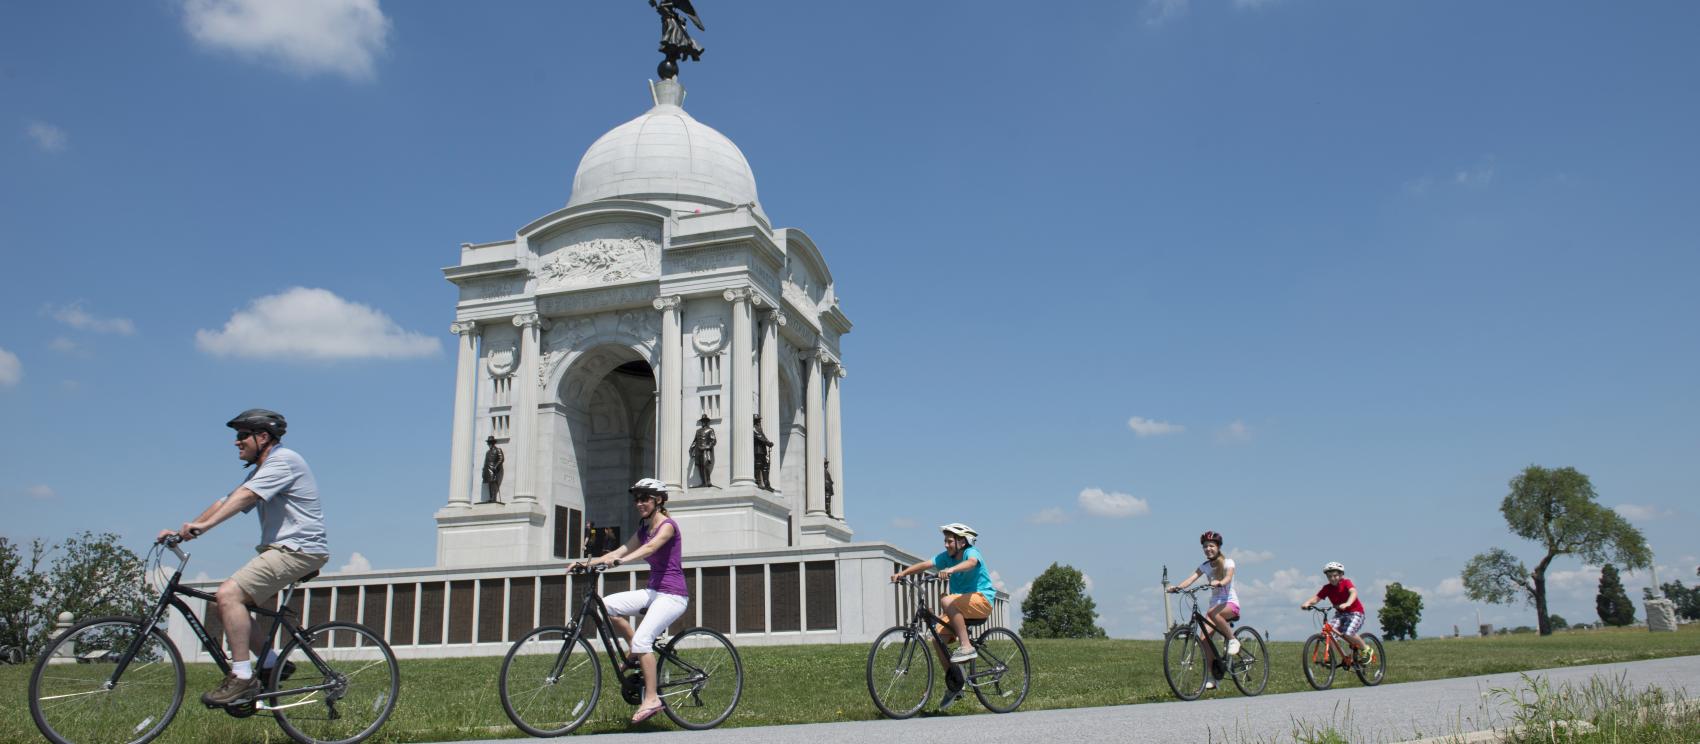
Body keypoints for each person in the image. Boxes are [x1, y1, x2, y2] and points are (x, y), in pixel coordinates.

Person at [158, 409, 330, 707]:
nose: (236, 442)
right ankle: (272, 665)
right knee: (225, 604)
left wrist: (204, 527)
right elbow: (226, 500)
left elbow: (245, 498)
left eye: (242, 436)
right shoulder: (262, 470)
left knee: (228, 595)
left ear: (262, 437)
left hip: (297, 550)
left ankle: (241, 677)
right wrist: (185, 531)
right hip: (284, 550)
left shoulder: (284, 461)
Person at [574, 478, 688, 724]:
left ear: (659, 500)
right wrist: (585, 563)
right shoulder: (643, 530)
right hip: (654, 592)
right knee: (606, 606)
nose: (639, 503)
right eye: (637, 499)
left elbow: (650, 549)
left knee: (643, 639)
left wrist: (621, 562)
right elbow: (618, 551)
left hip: (673, 595)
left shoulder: (667, 526)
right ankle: (635, 651)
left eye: (644, 498)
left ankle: (652, 698)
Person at [890, 522, 996, 709]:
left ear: (962, 542)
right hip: (960, 603)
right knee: (937, 638)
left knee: (946, 600)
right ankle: (956, 682)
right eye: (945, 541)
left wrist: (950, 570)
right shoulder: (946, 557)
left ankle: (966, 646)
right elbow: (925, 564)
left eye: (949, 541)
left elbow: (971, 563)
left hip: (982, 600)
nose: (946, 544)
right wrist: (903, 574)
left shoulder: (971, 553)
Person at [1168, 531, 1239, 690]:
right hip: (1214, 607)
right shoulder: (1205, 566)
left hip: (1230, 604)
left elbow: (1228, 577)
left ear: (1218, 547)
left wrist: (1220, 582)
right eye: (1205, 546)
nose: (1208, 549)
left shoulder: (1228, 562)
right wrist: (1177, 587)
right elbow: (1191, 578)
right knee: (1204, 640)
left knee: (1214, 613)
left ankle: (1233, 639)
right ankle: (1212, 677)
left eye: (1211, 546)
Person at [1301, 561, 1370, 663]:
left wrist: (1347, 603)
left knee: (1348, 632)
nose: (1332, 578)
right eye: (1329, 576)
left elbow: (1353, 592)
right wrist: (1307, 603)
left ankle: (1366, 650)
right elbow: (1316, 598)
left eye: (1335, 575)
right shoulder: (1327, 588)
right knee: (1328, 633)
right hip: (1340, 614)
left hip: (1356, 613)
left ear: (1341, 575)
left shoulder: (1346, 583)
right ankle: (1335, 658)